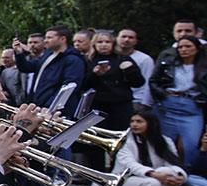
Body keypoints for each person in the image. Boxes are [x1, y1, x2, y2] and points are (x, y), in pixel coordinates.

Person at [150, 36, 207, 167]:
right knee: (164, 143)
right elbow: (153, 81)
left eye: (188, 46)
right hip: (168, 103)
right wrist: (162, 94)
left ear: (197, 48)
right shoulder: (168, 63)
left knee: (190, 145)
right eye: (180, 47)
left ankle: (188, 172)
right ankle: (162, 170)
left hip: (192, 105)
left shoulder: (204, 66)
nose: (183, 49)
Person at [13, 26, 87, 119]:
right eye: (46, 38)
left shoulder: (73, 60)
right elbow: (27, 68)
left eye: (49, 38)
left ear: (63, 39)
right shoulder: (48, 55)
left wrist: (50, 107)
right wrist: (19, 54)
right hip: (38, 106)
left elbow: (69, 88)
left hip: (56, 112)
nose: (46, 41)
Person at [86, 31, 144, 132]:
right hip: (97, 105)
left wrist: (129, 70)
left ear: (113, 44)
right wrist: (95, 74)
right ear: (94, 44)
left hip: (120, 105)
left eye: (107, 42)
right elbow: (83, 84)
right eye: (100, 42)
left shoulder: (123, 58)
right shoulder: (88, 60)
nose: (104, 45)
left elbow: (138, 82)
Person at [116, 28, 154, 112]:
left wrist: (146, 103)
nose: (126, 40)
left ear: (136, 41)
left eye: (131, 37)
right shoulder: (111, 57)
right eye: (123, 36)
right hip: (116, 100)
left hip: (137, 101)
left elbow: (149, 81)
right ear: (117, 38)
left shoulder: (145, 59)